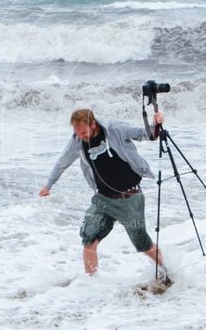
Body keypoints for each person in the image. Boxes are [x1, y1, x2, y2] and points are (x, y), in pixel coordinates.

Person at [39, 108, 167, 278]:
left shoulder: (115, 129)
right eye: (77, 133)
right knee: (89, 238)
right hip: (103, 200)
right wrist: (48, 185)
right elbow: (62, 162)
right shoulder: (78, 140)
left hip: (130, 198)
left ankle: (168, 271)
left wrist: (156, 124)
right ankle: (91, 285)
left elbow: (146, 134)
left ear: (93, 124)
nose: (81, 137)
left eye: (84, 132)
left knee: (142, 243)